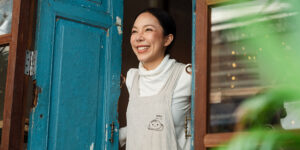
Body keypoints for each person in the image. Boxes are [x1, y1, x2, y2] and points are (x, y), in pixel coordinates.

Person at [119, 8, 192, 150]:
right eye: (134, 31)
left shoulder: (185, 75)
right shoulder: (132, 78)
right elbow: (144, 124)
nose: (139, 37)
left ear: (167, 39)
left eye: (148, 30)